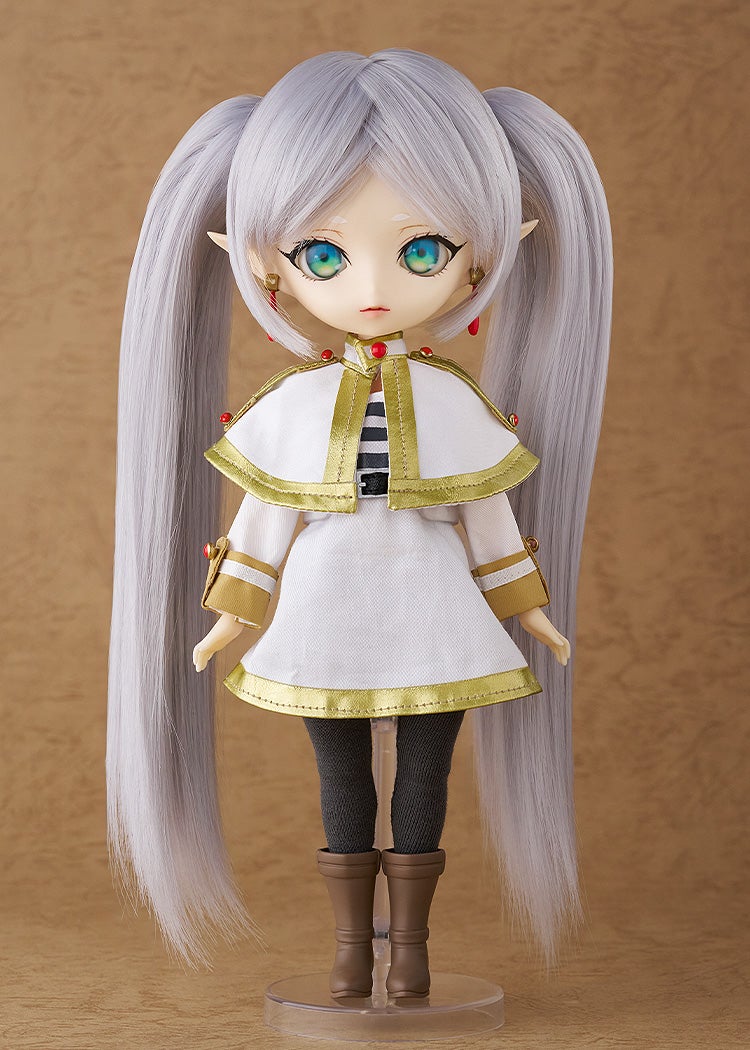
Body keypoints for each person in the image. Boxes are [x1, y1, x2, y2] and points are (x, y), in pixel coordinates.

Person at [107, 50, 612, 999]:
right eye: (325, 256)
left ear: (483, 256)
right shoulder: (294, 408)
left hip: (435, 613)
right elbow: (267, 517)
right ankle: (352, 946)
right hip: (324, 614)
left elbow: (487, 515)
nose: (374, 286)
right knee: (342, 783)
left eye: (422, 251)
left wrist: (528, 608)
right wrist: (232, 613)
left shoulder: (453, 403)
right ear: (266, 264)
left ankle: (408, 947)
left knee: (423, 782)